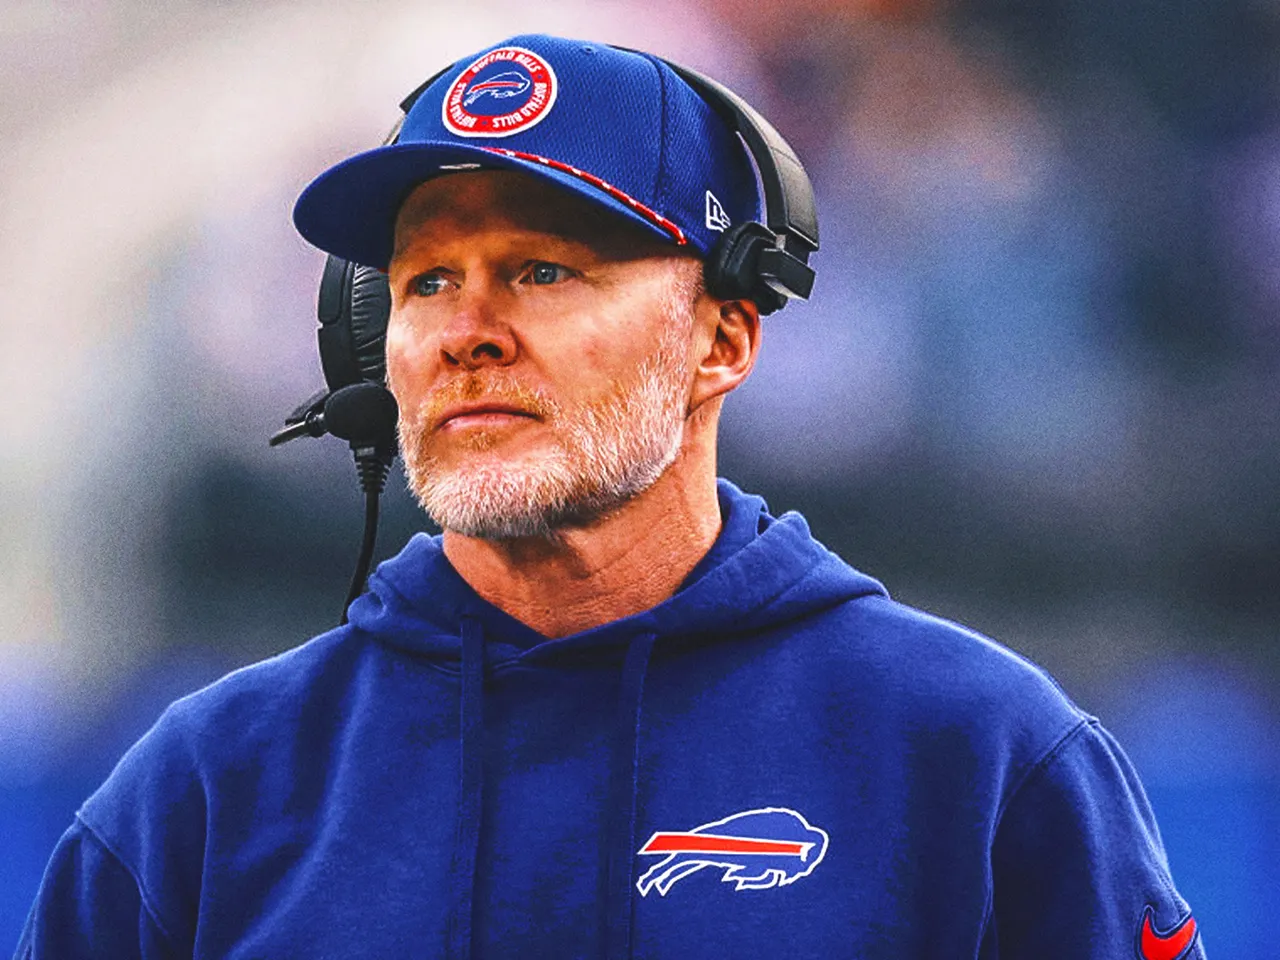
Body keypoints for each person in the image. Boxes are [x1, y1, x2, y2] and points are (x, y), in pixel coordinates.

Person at [15, 34, 1203, 960]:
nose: (467, 332)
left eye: (542, 270)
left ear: (721, 340)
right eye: (426, 281)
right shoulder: (202, 792)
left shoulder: (976, 752)